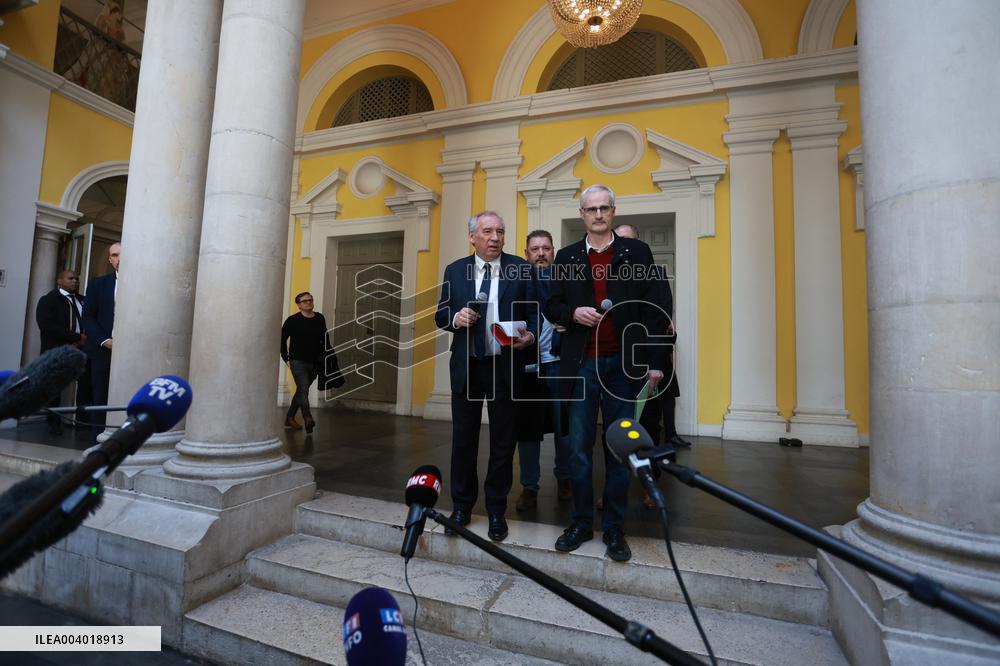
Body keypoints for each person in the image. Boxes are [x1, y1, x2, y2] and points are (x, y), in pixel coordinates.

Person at [544, 185, 667, 562]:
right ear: (581, 215)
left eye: (604, 208)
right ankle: (581, 522)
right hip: (581, 366)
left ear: (613, 211)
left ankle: (614, 527)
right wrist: (571, 314)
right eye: (591, 209)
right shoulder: (565, 257)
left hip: (623, 368)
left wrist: (656, 360)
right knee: (578, 451)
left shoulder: (637, 252)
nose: (598, 215)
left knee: (618, 452)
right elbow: (551, 304)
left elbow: (656, 306)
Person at [434, 211, 537, 542]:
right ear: (472, 237)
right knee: (463, 441)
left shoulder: (520, 268)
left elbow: (535, 314)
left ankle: (496, 511)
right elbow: (440, 313)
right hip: (468, 366)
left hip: (504, 366)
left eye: (500, 232)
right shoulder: (455, 270)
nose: (495, 237)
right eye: (488, 231)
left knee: (503, 443)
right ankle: (462, 506)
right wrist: (455, 317)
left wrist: (530, 337)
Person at [614, 224, 691, 450]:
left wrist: (657, 354)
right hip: (618, 355)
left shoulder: (655, 273)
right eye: (619, 240)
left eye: (628, 240)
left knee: (652, 410)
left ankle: (653, 459)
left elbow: (662, 312)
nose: (624, 246)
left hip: (650, 351)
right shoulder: (610, 273)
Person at [514, 230, 571, 512]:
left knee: (565, 428)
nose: (540, 253)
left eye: (545, 248)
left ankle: (565, 479)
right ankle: (529, 487)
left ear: (553, 251)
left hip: (561, 365)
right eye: (534, 249)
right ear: (527, 254)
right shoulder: (519, 282)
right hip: (529, 365)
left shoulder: (566, 282)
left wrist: (568, 324)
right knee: (528, 430)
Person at [35, 269, 91, 434]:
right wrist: (75, 337)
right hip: (58, 350)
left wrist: (84, 340)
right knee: (55, 388)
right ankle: (53, 424)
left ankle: (82, 422)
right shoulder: (48, 300)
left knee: (85, 386)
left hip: (82, 349)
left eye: (76, 279)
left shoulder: (83, 300)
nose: (75, 281)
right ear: (59, 281)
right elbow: (47, 325)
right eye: (70, 278)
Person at [280, 291, 332, 434]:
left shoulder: (319, 318)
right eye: (305, 301)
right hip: (297, 361)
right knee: (303, 388)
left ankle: (290, 417)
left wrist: (327, 355)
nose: (308, 302)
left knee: (302, 390)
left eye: (310, 300)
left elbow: (325, 338)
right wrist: (286, 358)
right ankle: (307, 417)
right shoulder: (292, 321)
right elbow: (282, 340)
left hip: (315, 361)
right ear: (299, 305)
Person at [82, 243, 120, 438]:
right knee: (100, 396)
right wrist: (106, 341)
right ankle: (99, 438)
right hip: (103, 350)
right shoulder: (98, 284)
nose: (119, 259)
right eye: (114, 255)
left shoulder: (143, 283)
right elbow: (87, 317)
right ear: (110, 259)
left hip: (135, 350)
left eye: (122, 254)